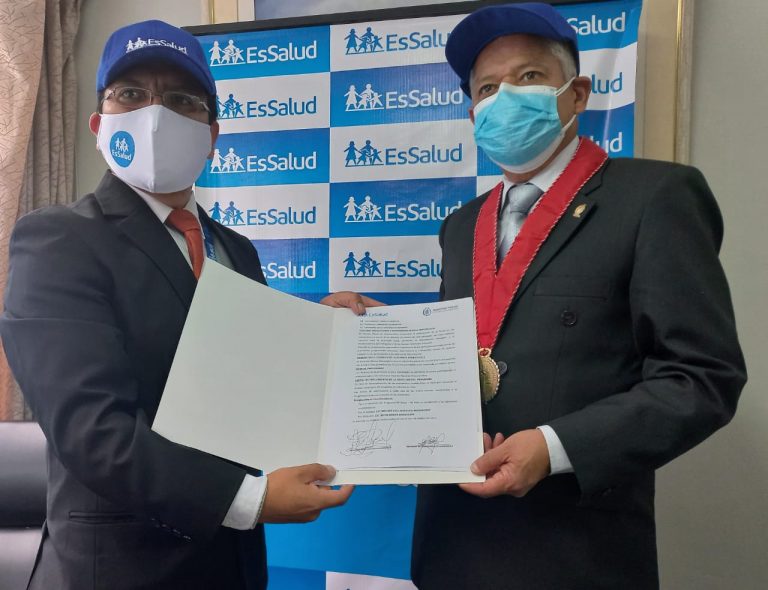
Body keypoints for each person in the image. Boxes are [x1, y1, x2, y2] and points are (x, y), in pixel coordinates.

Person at [0, 20, 375, 590]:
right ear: (100, 125)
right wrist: (250, 499)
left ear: (211, 135)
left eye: (181, 100)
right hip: (119, 570)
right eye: (131, 93)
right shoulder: (58, 240)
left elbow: (249, 381)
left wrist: (319, 332)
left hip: (233, 566)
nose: (155, 113)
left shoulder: (237, 250)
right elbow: (91, 429)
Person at [410, 4, 747, 589]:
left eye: (529, 76)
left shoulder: (655, 198)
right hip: (453, 547)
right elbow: (476, 344)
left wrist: (553, 447)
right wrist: (379, 337)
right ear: (472, 113)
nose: (505, 97)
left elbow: (701, 378)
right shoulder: (461, 226)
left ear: (577, 94)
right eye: (487, 88)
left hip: (575, 554)